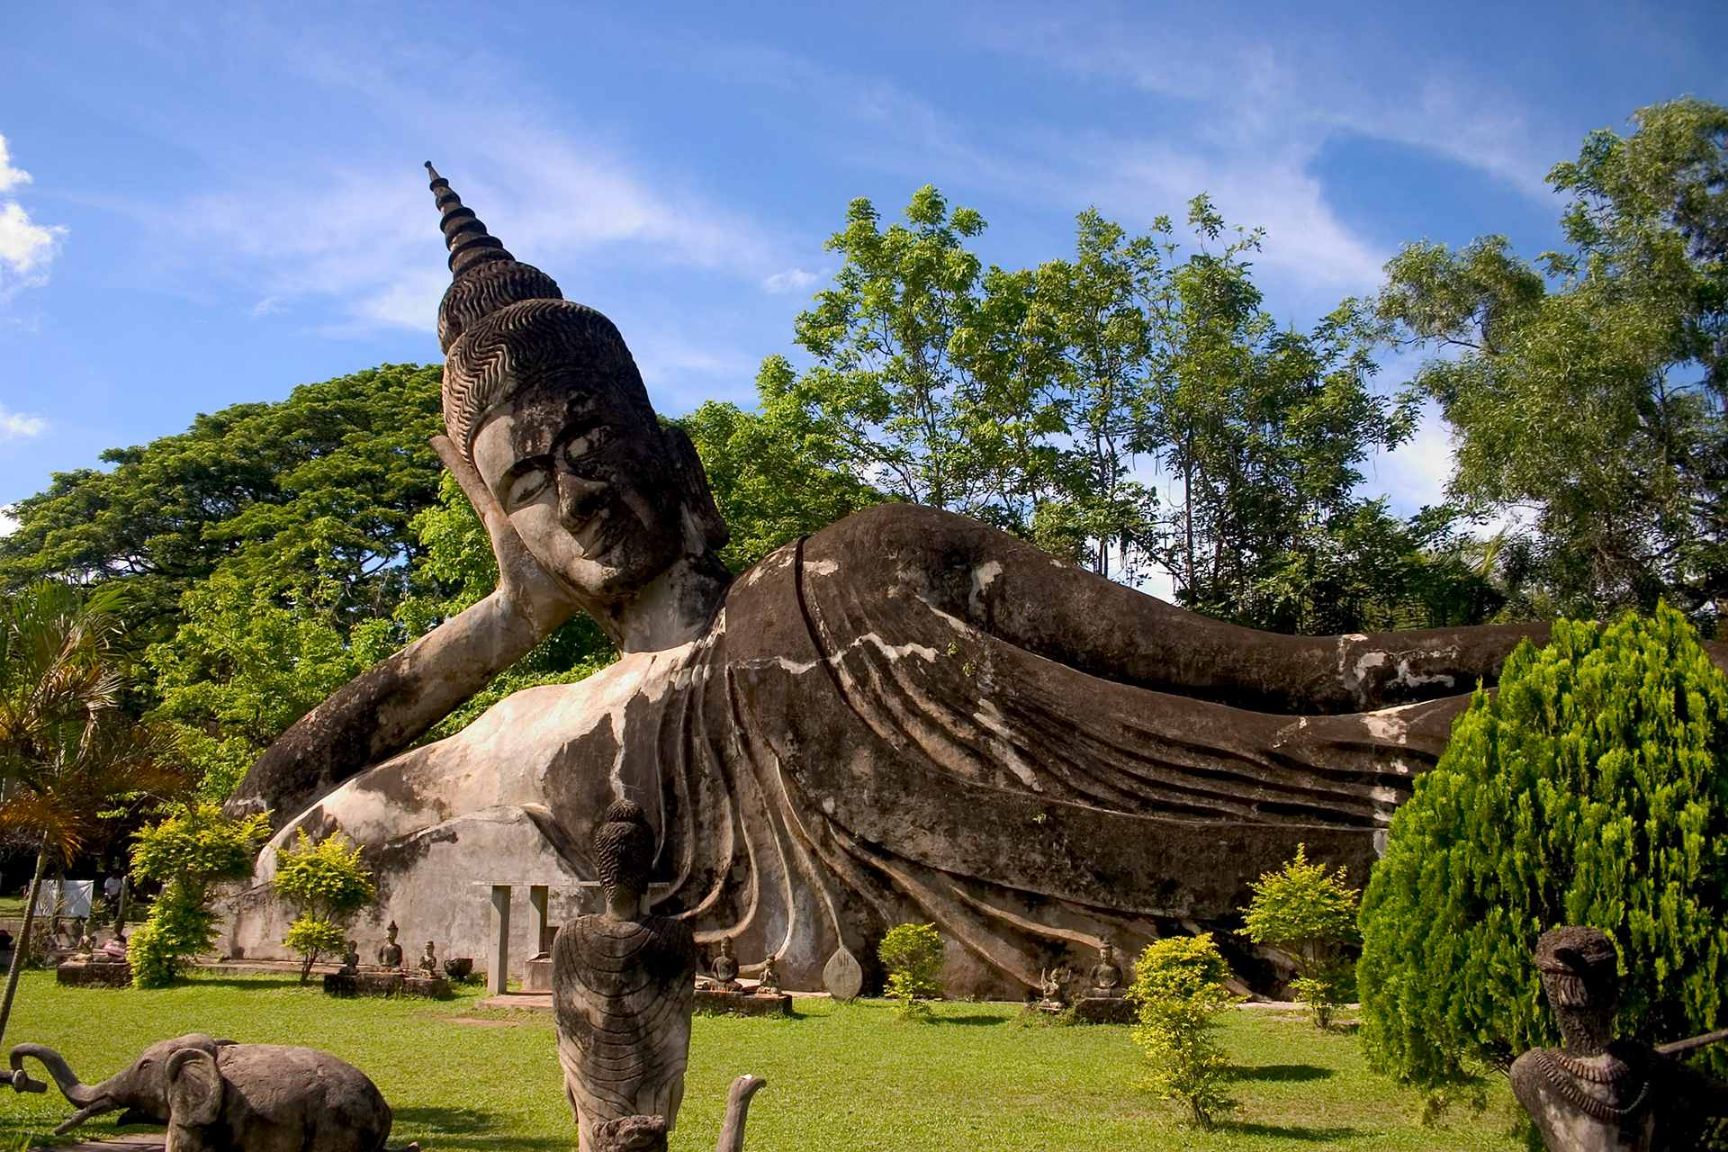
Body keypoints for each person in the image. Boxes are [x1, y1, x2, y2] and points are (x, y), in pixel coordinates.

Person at [222, 165, 1720, 998]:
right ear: (502, 524)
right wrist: (500, 617)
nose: (583, 500)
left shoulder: (849, 566)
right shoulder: (524, 724)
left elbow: (1269, 663)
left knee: (1330, 717)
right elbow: (267, 823)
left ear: (676, 462)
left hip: (1095, 743)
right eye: (529, 484)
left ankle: (1585, 683)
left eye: (595, 447)